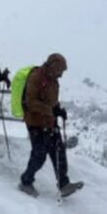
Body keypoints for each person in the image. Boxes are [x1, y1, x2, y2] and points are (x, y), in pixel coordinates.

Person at [19, 53, 82, 197]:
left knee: (59, 151)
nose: (61, 75)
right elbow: (31, 102)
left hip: (49, 122)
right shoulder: (36, 77)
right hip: (35, 123)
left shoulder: (53, 80)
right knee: (39, 155)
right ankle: (26, 181)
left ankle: (64, 184)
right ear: (53, 67)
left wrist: (58, 110)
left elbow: (52, 101)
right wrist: (50, 110)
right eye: (60, 71)